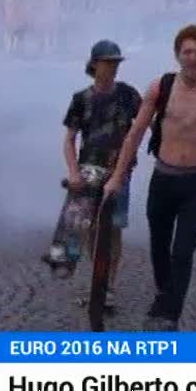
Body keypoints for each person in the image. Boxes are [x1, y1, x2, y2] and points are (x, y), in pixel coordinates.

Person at [104, 25, 196, 330]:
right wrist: (117, 177)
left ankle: (169, 315)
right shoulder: (160, 87)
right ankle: (164, 295)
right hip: (163, 180)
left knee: (183, 252)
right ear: (178, 55)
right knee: (159, 248)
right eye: (187, 51)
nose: (193, 57)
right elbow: (135, 134)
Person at [62, 40, 142, 309]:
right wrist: (73, 172)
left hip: (120, 170)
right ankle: (98, 281)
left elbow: (145, 124)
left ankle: (109, 287)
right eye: (108, 62)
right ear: (95, 64)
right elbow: (69, 139)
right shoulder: (81, 99)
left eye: (116, 62)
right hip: (89, 171)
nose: (113, 67)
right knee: (91, 228)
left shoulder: (128, 95)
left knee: (114, 228)